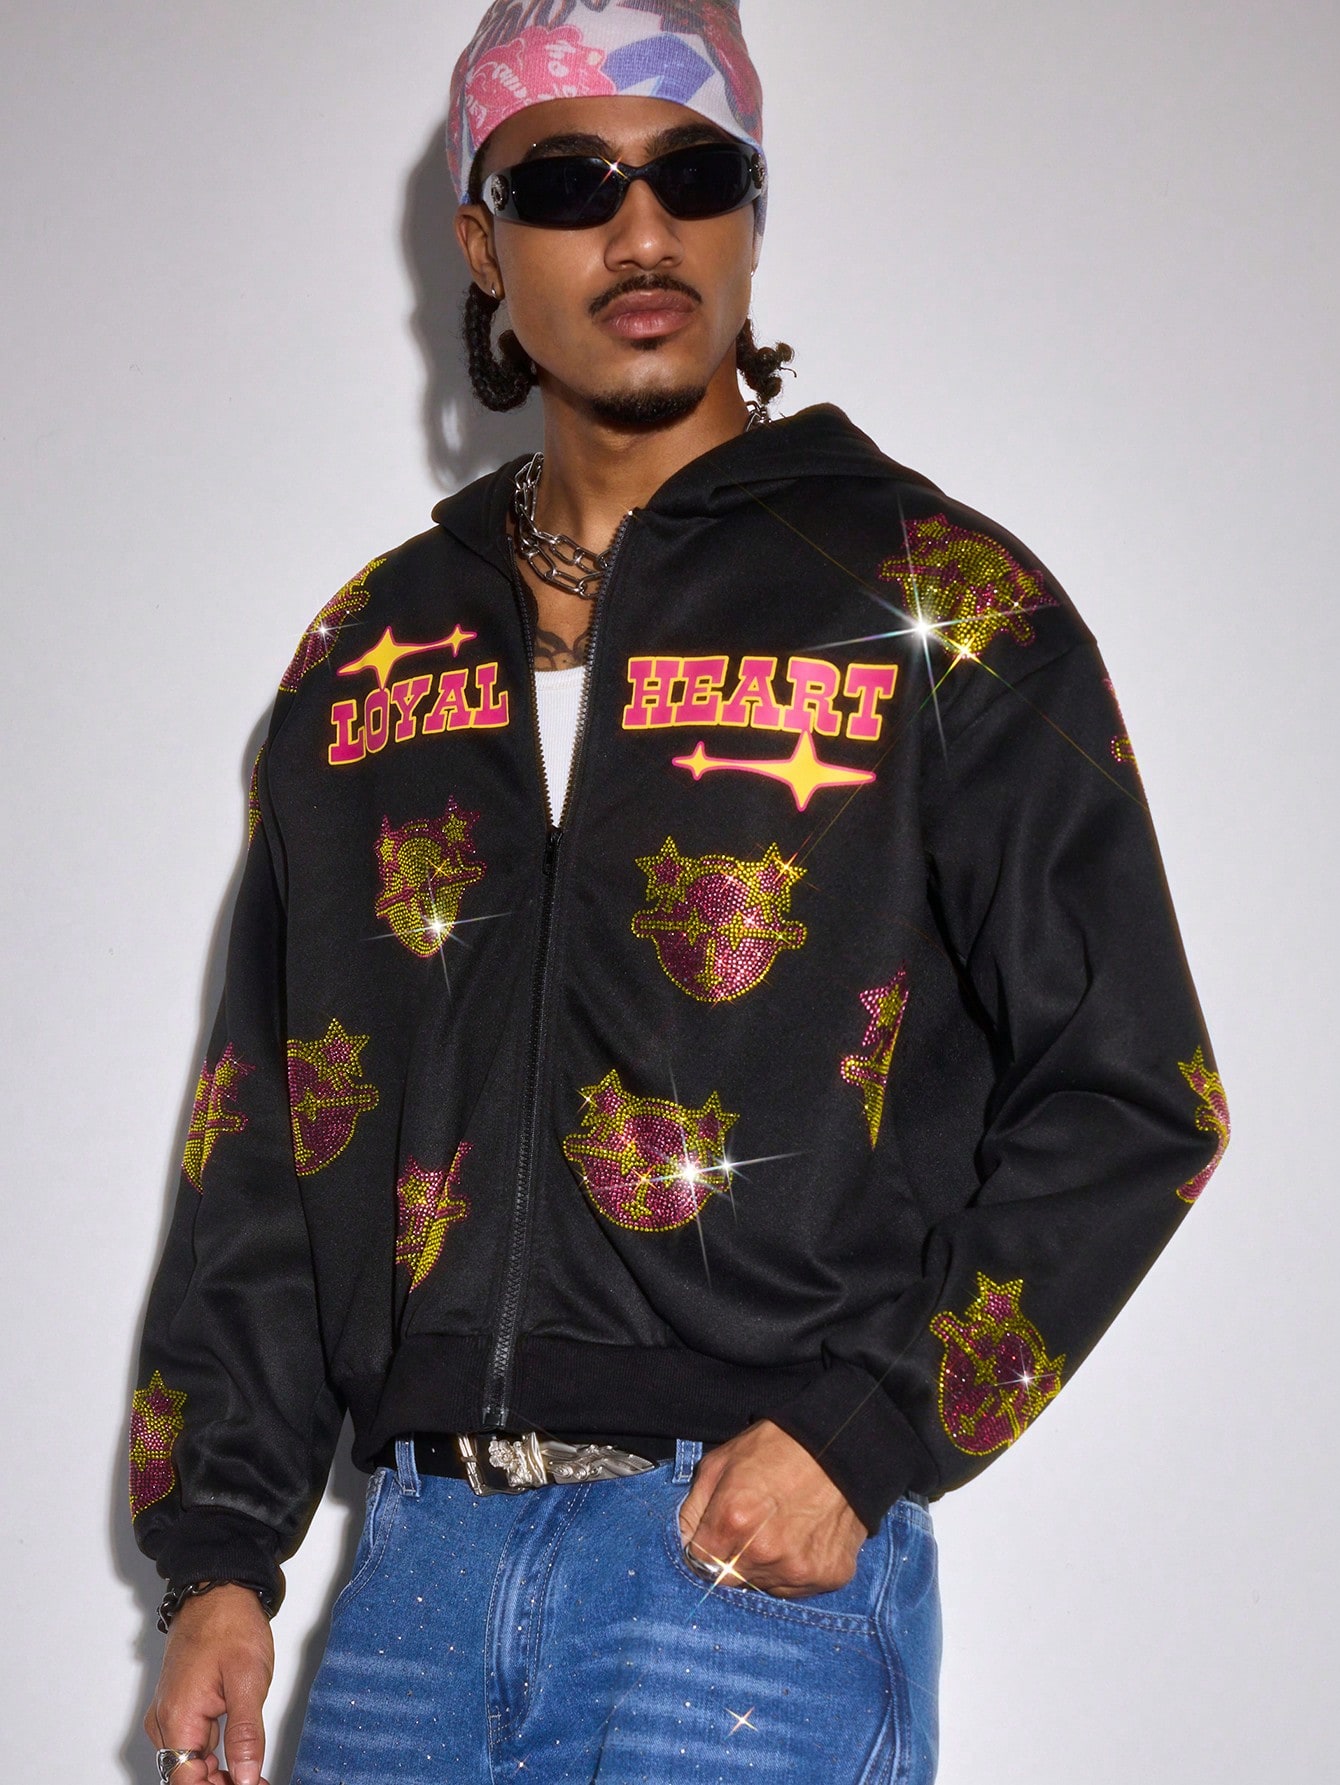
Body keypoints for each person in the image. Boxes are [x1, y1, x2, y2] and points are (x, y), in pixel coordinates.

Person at [132, 4, 1230, 1781]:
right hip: (411, 1588)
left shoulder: (930, 598)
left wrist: (867, 1431)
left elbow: (1135, 1089)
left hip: (741, 1574)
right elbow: (259, 1128)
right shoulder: (371, 656)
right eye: (569, 184)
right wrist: (220, 1557)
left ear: (751, 215)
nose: (642, 231)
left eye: (694, 174)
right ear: (483, 244)